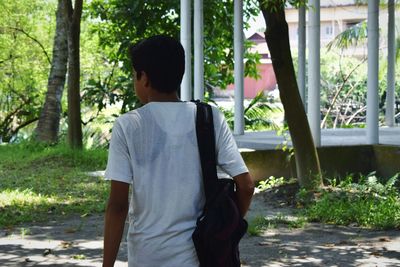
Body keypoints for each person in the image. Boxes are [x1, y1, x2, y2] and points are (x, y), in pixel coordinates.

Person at [102, 35, 254, 267]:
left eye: (135, 74)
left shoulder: (129, 125)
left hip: (147, 256)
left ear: (144, 78)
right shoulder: (209, 117)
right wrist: (224, 231)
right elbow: (246, 186)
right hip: (199, 255)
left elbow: (118, 206)